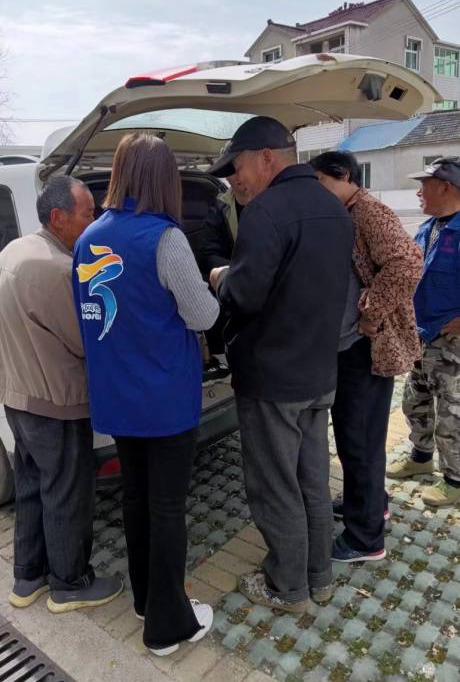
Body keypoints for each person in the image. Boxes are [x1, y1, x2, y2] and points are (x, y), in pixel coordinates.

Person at [73, 133, 219, 656]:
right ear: (162, 180)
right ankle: (168, 626)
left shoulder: (88, 237)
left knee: (136, 500)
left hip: (116, 395)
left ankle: (146, 600)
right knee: (167, 508)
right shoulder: (165, 238)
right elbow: (202, 316)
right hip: (164, 399)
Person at [209, 116, 354, 612]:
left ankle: (286, 587)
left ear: (267, 157)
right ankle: (319, 577)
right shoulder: (333, 205)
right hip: (319, 372)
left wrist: (221, 277)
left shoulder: (266, 211)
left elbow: (245, 296)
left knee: (275, 486)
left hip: (272, 379)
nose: (233, 180)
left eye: (236, 167)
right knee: (312, 480)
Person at [0, 175, 122, 614]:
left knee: (32, 485)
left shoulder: (12, 252)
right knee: (67, 490)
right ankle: (70, 583)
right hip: (54, 401)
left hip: (17, 396)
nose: (94, 221)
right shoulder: (58, 269)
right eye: (88, 213)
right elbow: (86, 341)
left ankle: (28, 579)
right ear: (59, 217)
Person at [310, 151, 424, 562]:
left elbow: (408, 263)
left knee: (359, 440)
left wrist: (371, 312)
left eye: (321, 182)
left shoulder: (368, 212)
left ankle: (365, 539)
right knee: (360, 437)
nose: (318, 192)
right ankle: (371, 503)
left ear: (344, 175)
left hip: (366, 347)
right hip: (354, 346)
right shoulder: (349, 211)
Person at [387, 157, 460, 507]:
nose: (418, 192)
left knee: (453, 414)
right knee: (415, 402)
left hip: (452, 343)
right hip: (421, 335)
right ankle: (420, 458)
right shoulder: (428, 228)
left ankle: (455, 480)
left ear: (445, 187)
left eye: (424, 185)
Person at [199, 174, 248, 382]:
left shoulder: (272, 202)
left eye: (240, 168)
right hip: (233, 286)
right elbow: (208, 251)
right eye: (232, 170)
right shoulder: (221, 207)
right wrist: (232, 271)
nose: (238, 175)